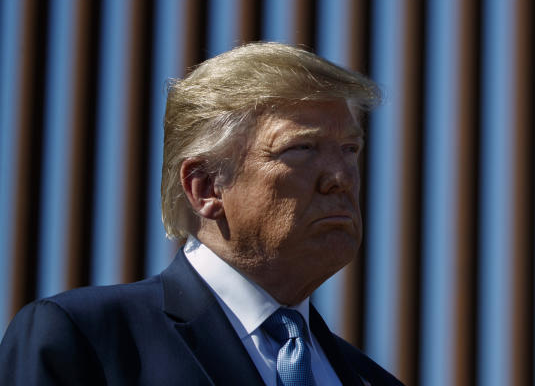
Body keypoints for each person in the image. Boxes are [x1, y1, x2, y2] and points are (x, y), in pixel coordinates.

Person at [0, 42, 403, 385]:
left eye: (350, 150)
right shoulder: (84, 340)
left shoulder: (372, 378)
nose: (340, 177)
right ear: (206, 187)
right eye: (301, 149)